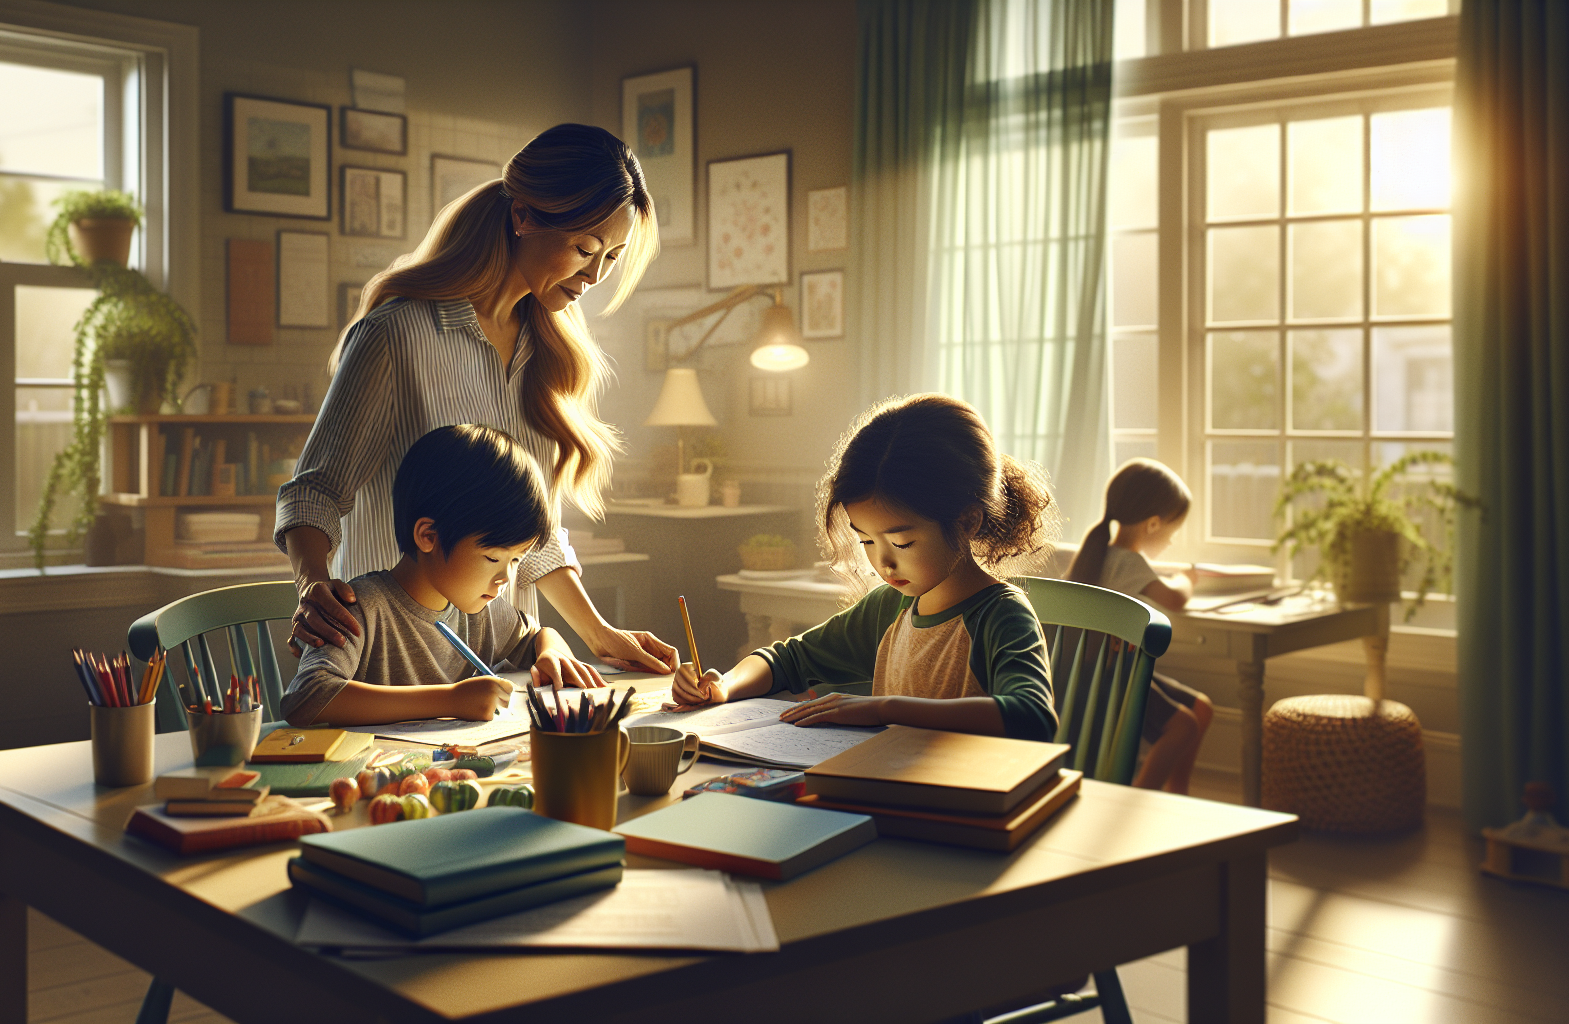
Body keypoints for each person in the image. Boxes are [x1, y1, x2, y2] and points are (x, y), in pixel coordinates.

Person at [276, 123, 676, 677]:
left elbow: (531, 536)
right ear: (523, 216)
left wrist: (600, 636)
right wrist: (314, 587)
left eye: (612, 257)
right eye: (584, 249)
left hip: (498, 669)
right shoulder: (397, 335)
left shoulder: (549, 355)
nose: (595, 275)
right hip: (393, 668)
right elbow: (314, 492)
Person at [670, 394, 1058, 743]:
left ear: (968, 521)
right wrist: (725, 685)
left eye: (902, 543)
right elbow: (788, 659)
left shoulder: (999, 615)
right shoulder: (889, 607)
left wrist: (885, 708)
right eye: (866, 541)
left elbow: (1033, 717)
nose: (882, 562)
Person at [281, 425, 607, 727]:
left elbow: (539, 636)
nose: (505, 577)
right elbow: (305, 698)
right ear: (428, 536)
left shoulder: (483, 613)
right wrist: (450, 700)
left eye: (516, 559)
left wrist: (552, 654)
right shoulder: (358, 610)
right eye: (493, 557)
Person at [1066, 457, 1215, 794]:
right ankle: (1138, 796)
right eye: (1171, 532)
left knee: (1201, 709)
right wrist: (1187, 578)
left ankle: (1178, 792)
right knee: (1183, 727)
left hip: (1102, 667)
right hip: (1106, 675)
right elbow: (1175, 599)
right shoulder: (1129, 561)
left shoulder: (1098, 555)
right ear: (1152, 525)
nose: (1171, 542)